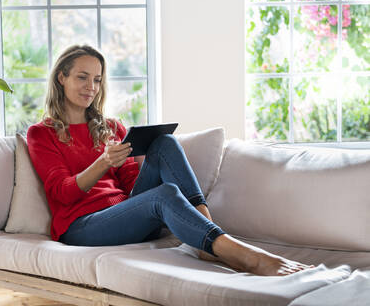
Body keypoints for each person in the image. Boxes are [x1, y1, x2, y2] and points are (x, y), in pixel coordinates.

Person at [27, 45, 314, 276]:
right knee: (164, 195)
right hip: (81, 227)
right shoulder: (42, 133)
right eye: (82, 77)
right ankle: (239, 253)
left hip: (127, 217)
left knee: (165, 142)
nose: (92, 86)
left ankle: (207, 236)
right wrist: (102, 163)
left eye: (98, 79)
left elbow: (129, 184)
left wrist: (122, 167)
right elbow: (61, 193)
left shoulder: (111, 127)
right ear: (61, 78)